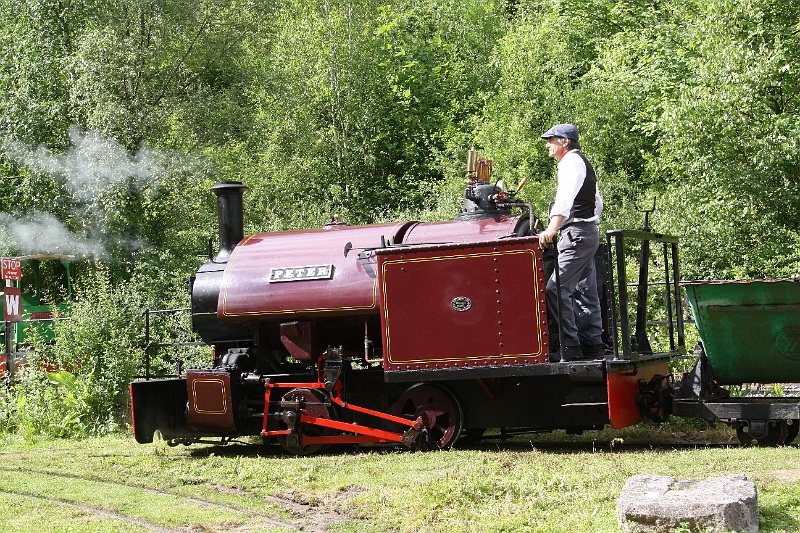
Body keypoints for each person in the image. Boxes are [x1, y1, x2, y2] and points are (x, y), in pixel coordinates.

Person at [537, 123, 605, 362]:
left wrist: (552, 229)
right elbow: (597, 203)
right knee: (585, 292)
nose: (547, 145)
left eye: (551, 140)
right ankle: (593, 345)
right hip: (586, 232)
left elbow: (564, 199)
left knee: (555, 290)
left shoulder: (569, 163)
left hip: (575, 234)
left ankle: (571, 347)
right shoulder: (582, 163)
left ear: (564, 142)